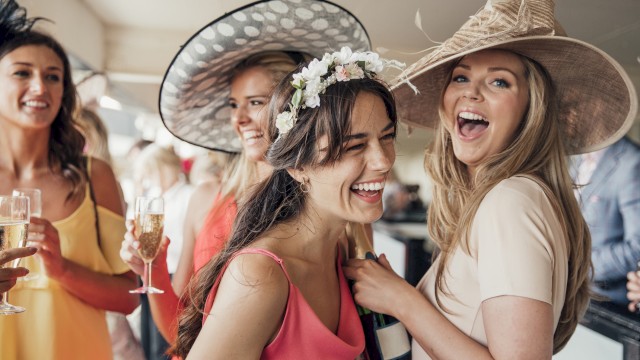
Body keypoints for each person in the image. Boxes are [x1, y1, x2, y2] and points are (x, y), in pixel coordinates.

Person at [345, 0, 637, 358]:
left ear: (533, 109)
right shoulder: (499, 200)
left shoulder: (510, 200)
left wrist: (403, 301)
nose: (471, 92)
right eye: (461, 77)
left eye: (500, 81)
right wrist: (396, 296)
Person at [119, 0, 372, 354]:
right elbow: (182, 335)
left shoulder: (334, 206)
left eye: (255, 102)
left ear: (293, 108)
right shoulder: (207, 197)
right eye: (233, 104)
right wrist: (155, 268)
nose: (239, 118)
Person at [172, 47, 397, 359]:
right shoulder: (260, 276)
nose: (384, 162)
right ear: (297, 166)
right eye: (355, 145)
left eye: (387, 137)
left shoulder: (340, 251)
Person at [0, 1, 138, 359]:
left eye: (52, 76)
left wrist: (62, 269)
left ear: (63, 93)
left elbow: (128, 299)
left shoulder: (94, 176)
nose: (39, 87)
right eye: (21, 73)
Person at [571, 136, 640, 306]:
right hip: (568, 294)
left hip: (604, 302)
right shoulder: (578, 157)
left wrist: (575, 269)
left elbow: (637, 247)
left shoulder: (632, 162)